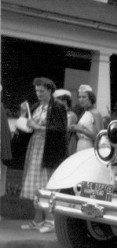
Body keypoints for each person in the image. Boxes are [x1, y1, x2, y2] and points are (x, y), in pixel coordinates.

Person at [20, 77, 67, 233]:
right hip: (35, 148)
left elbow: (60, 130)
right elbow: (28, 126)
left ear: (50, 90)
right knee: (35, 184)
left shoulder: (57, 107)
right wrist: (24, 117)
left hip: (48, 150)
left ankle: (50, 220)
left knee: (46, 184)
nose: (38, 94)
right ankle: (38, 220)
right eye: (37, 91)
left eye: (41, 91)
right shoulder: (37, 107)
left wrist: (38, 127)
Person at [69, 85, 102, 152]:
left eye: (84, 97)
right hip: (80, 144)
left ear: (91, 98)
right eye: (79, 97)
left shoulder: (95, 113)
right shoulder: (85, 113)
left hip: (88, 146)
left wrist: (80, 129)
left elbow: (98, 136)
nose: (81, 99)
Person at [53, 89, 78, 156]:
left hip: (65, 145)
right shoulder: (56, 114)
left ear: (65, 101)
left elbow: (66, 131)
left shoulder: (71, 115)